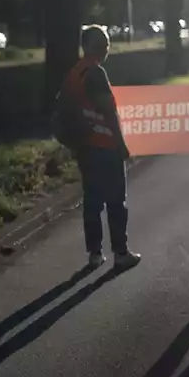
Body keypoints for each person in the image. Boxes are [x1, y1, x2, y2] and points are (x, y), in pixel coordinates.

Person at [63, 25, 141, 271]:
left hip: (85, 147)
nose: (107, 48)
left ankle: (95, 253)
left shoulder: (76, 72)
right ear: (98, 46)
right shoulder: (96, 73)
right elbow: (108, 113)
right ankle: (121, 252)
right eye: (106, 44)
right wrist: (122, 145)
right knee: (117, 201)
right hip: (104, 147)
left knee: (92, 202)